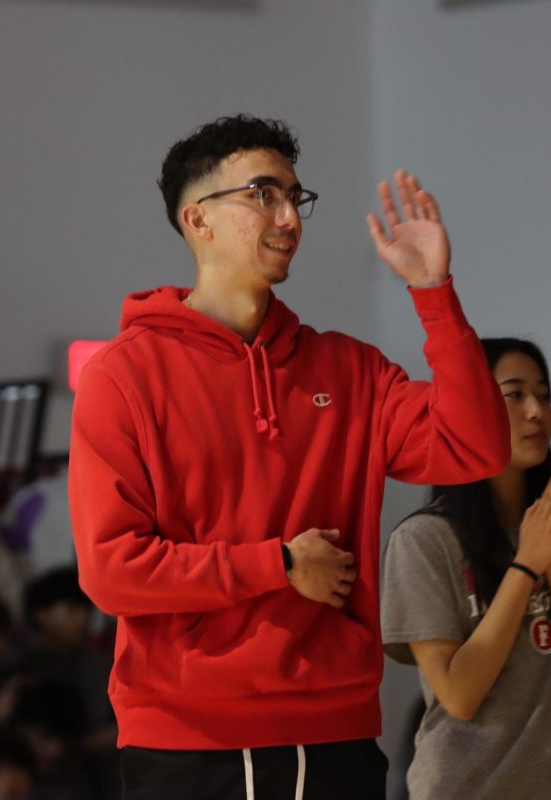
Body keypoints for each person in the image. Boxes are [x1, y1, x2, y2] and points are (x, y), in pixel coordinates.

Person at [68, 114, 508, 799]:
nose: (287, 216)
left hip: (334, 728)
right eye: (262, 194)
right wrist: (277, 565)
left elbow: (474, 447)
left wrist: (434, 294)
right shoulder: (123, 376)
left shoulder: (350, 369)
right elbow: (113, 570)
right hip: (185, 738)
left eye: (294, 197)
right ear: (197, 219)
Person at [381, 337, 551, 800]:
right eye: (515, 394)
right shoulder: (424, 540)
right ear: (467, 407)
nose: (536, 411)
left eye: (544, 395)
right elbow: (460, 695)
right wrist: (526, 565)